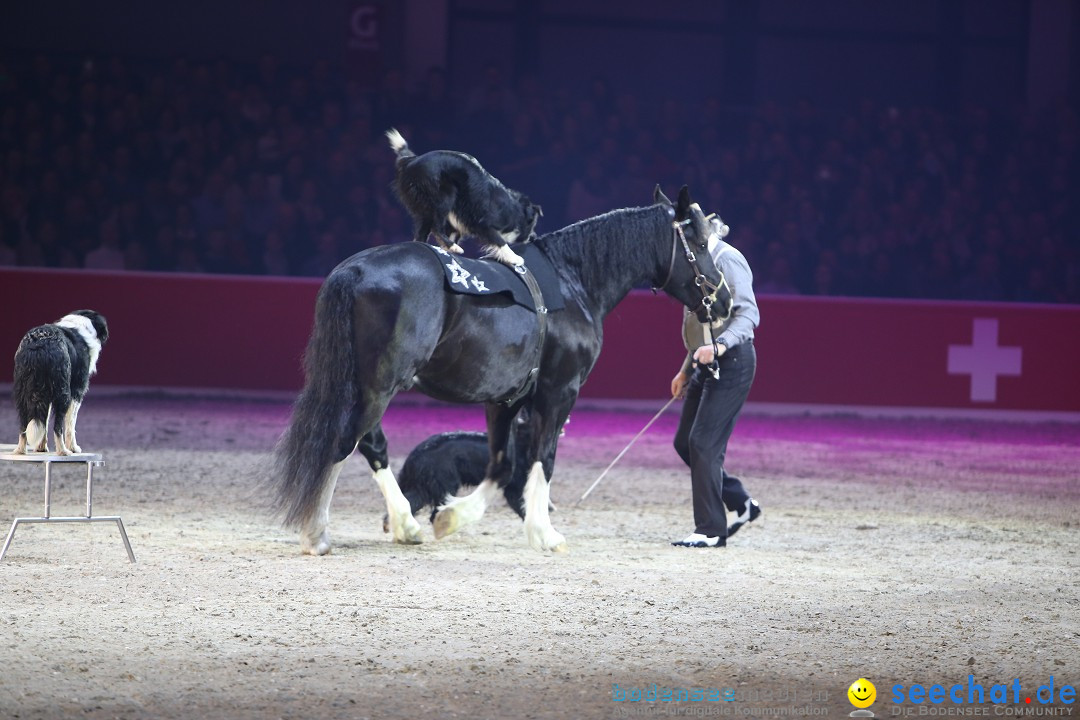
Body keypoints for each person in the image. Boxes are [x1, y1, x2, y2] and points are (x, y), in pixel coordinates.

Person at [670, 219, 761, 548]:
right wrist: (685, 370)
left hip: (733, 362)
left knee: (704, 444)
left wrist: (719, 348)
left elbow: (749, 315)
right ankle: (740, 502)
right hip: (704, 362)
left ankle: (710, 530)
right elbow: (700, 328)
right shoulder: (694, 266)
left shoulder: (727, 260)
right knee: (685, 443)